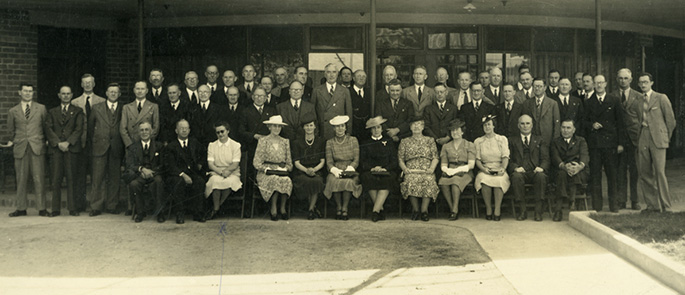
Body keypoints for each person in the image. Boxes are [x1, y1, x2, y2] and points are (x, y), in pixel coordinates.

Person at [6, 83, 49, 217]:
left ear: (33, 93)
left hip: (37, 146)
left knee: (39, 178)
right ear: (20, 92)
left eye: (30, 91)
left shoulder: (41, 108)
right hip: (21, 147)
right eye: (25, 91)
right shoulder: (13, 111)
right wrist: (15, 140)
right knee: (21, 178)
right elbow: (10, 130)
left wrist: (44, 141)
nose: (28, 93)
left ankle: (42, 208)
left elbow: (45, 127)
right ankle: (21, 208)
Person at [584, 74, 624, 212]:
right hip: (595, 145)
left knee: (612, 175)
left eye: (601, 82)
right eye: (596, 83)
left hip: (610, 143)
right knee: (595, 176)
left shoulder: (614, 100)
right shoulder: (589, 102)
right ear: (593, 85)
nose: (599, 85)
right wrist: (591, 125)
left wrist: (620, 144)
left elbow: (620, 123)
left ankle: (614, 205)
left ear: (606, 84)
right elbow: (584, 122)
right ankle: (597, 207)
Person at [636, 72, 676, 212]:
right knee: (644, 172)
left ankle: (666, 206)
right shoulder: (638, 99)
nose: (643, 84)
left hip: (658, 138)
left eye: (646, 82)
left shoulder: (661, 98)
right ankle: (652, 205)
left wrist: (665, 136)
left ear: (651, 83)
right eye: (641, 82)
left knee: (659, 171)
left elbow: (670, 121)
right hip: (644, 135)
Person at [46, 86, 84, 217]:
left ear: (72, 95)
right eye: (63, 94)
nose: (66, 96)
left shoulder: (78, 111)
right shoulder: (52, 112)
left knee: (71, 178)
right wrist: (58, 143)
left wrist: (68, 142)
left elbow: (79, 129)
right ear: (59, 95)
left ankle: (72, 208)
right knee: (56, 179)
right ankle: (55, 209)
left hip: (71, 148)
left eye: (68, 94)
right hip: (56, 150)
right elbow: (48, 129)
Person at [89, 83, 124, 217]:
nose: (113, 94)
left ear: (119, 94)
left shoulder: (123, 108)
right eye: (111, 91)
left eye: (116, 92)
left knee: (115, 178)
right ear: (106, 93)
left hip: (116, 147)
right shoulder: (96, 108)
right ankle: (96, 206)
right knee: (98, 177)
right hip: (100, 147)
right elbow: (91, 128)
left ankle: (112, 205)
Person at [71, 73, 105, 213]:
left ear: (94, 83)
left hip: (97, 143)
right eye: (85, 82)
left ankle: (96, 205)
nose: (87, 85)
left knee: (97, 175)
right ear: (81, 84)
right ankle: (80, 204)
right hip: (81, 143)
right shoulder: (75, 102)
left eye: (90, 82)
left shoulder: (102, 101)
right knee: (80, 175)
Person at [164, 119, 207, 224]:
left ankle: (198, 213)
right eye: (181, 128)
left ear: (189, 130)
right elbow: (170, 166)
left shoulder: (194, 142)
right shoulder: (171, 146)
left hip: (192, 172)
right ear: (176, 131)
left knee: (200, 182)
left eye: (186, 128)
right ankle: (180, 213)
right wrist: (183, 175)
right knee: (179, 183)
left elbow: (204, 153)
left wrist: (200, 164)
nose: (184, 130)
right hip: (176, 174)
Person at [508, 114, 549, 221]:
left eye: (527, 123)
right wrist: (515, 167)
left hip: (535, 171)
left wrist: (541, 167)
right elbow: (508, 159)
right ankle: (522, 210)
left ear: (532, 125)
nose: (525, 126)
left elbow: (545, 158)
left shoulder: (540, 140)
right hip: (521, 171)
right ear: (518, 125)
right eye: (522, 123)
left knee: (541, 177)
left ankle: (538, 211)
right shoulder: (512, 141)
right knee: (516, 177)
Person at [398, 117, 439, 222]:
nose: (416, 127)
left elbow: (435, 157)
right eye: (414, 124)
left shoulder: (430, 140)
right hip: (411, 169)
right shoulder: (404, 141)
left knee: (429, 180)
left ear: (423, 127)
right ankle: (415, 210)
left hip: (427, 169)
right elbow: (400, 158)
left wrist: (432, 168)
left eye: (419, 124)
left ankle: (424, 211)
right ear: (410, 127)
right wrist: (405, 169)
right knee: (410, 180)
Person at [253, 115, 293, 221]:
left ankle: (283, 209)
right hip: (265, 173)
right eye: (274, 126)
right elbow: (256, 162)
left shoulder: (285, 142)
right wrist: (266, 169)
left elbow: (289, 163)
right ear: (269, 127)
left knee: (286, 180)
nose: (277, 129)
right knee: (274, 179)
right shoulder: (263, 141)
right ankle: (273, 208)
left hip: (281, 171)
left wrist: (285, 169)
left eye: (279, 127)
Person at [123, 121, 165, 223]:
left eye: (147, 130)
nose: (144, 132)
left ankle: (159, 213)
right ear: (138, 132)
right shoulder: (133, 147)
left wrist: (152, 172)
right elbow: (130, 164)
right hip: (140, 175)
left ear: (151, 132)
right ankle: (140, 212)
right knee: (134, 184)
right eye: (142, 130)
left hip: (154, 174)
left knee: (158, 182)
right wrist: (141, 169)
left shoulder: (159, 146)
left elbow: (164, 164)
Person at [612, 69, 641, 210]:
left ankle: (635, 200)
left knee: (635, 171)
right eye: (620, 78)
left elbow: (642, 119)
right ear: (617, 79)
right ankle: (621, 200)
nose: (623, 81)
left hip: (635, 138)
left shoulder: (639, 96)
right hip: (619, 140)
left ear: (631, 79)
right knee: (620, 171)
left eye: (626, 78)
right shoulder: (612, 96)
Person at [360, 116, 399, 222]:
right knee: (367, 178)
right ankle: (379, 210)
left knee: (388, 180)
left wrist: (384, 168)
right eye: (373, 128)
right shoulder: (365, 143)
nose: (376, 130)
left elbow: (394, 161)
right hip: (371, 171)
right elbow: (362, 161)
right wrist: (372, 168)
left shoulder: (389, 141)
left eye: (378, 127)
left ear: (382, 129)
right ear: (370, 130)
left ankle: (375, 211)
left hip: (386, 171)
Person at [324, 115, 362, 220]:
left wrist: (349, 169)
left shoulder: (353, 140)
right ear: (333, 129)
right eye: (337, 127)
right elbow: (329, 162)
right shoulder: (330, 142)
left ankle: (345, 208)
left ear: (346, 127)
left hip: (350, 168)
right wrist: (335, 170)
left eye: (342, 126)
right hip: (336, 168)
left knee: (348, 182)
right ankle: (338, 208)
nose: (340, 129)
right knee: (333, 180)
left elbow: (356, 160)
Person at [551, 119, 589, 221]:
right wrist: (564, 166)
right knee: (562, 174)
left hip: (578, 170)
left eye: (568, 128)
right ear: (560, 129)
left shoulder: (581, 141)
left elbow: (584, 155)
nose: (565, 130)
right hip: (561, 170)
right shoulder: (555, 142)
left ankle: (563, 206)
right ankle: (569, 204)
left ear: (574, 129)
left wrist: (579, 167)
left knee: (573, 172)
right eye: (563, 127)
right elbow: (555, 157)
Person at [438, 118, 475, 221]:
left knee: (455, 182)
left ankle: (454, 210)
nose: (455, 132)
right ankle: (452, 208)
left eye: (457, 130)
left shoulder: (469, 145)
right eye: (452, 130)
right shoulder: (446, 146)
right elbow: (444, 164)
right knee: (443, 182)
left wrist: (457, 170)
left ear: (462, 131)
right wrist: (447, 170)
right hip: (450, 170)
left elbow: (471, 165)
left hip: (465, 172)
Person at [474, 115, 510, 221]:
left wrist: (503, 168)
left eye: (489, 124)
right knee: (484, 180)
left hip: (499, 167)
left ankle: (497, 210)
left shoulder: (501, 139)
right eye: (485, 125)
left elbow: (505, 156)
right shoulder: (478, 141)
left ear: (494, 126)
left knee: (499, 180)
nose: (487, 127)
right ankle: (488, 209)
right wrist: (484, 169)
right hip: (484, 168)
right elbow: (477, 160)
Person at [204, 121, 242, 220]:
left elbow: (235, 163)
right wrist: (221, 172)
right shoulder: (212, 145)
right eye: (218, 132)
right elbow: (210, 164)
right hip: (217, 172)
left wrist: (227, 172)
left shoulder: (236, 145)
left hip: (232, 172)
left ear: (228, 131)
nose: (220, 134)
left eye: (222, 131)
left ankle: (215, 209)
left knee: (229, 182)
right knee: (215, 181)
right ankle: (217, 208)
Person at [291, 120, 326, 220]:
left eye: (311, 125)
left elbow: (322, 161)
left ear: (315, 127)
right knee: (306, 181)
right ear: (303, 128)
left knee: (317, 180)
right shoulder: (297, 142)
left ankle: (310, 209)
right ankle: (313, 207)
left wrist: (314, 170)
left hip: (316, 170)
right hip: (301, 171)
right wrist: (306, 170)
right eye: (307, 126)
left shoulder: (320, 141)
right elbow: (296, 162)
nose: (309, 128)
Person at [311, 63, 353, 140]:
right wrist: (316, 132)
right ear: (324, 74)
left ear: (337, 74)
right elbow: (313, 113)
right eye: (328, 72)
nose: (331, 75)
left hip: (339, 131)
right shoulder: (317, 90)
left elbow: (349, 113)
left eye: (334, 72)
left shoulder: (344, 91)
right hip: (323, 131)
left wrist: (348, 132)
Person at [120, 81, 160, 149]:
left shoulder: (153, 106)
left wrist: (147, 142)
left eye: (142, 89)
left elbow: (156, 127)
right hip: (131, 145)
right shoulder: (127, 107)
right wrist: (129, 144)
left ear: (147, 91)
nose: (140, 91)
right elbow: (123, 129)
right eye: (138, 89)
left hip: (147, 145)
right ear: (134, 90)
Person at [522, 77, 560, 144]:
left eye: (540, 86)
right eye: (535, 86)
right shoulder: (527, 103)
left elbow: (556, 126)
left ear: (545, 88)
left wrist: (555, 142)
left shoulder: (553, 103)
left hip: (548, 141)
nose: (537, 88)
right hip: (532, 141)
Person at [423, 84, 459, 148]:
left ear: (446, 92)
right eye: (437, 92)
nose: (439, 94)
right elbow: (426, 126)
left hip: (450, 142)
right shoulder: (428, 109)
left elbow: (455, 125)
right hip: (433, 143)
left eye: (441, 92)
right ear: (434, 94)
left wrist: (448, 137)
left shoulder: (453, 108)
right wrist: (436, 139)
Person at [350, 69, 371, 139]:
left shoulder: (369, 92)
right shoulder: (347, 92)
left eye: (364, 76)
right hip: (353, 129)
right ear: (353, 78)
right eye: (359, 76)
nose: (361, 78)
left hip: (366, 130)